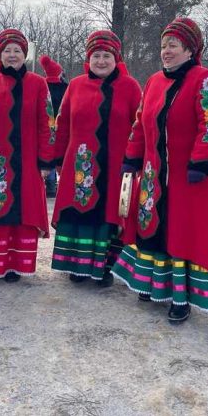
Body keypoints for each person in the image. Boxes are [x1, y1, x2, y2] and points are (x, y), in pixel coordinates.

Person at [111, 17, 208, 324]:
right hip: (156, 174)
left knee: (182, 234)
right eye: (163, 46)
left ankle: (181, 298)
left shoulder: (205, 79)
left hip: (190, 176)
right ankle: (151, 285)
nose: (166, 51)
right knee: (153, 228)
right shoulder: (154, 82)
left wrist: (201, 159)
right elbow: (140, 123)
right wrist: (132, 156)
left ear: (190, 49)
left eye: (173, 46)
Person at [50, 31, 141, 287]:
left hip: (115, 164)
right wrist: (58, 156)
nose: (101, 61)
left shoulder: (130, 86)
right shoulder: (76, 85)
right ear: (88, 59)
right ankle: (77, 265)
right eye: (96, 56)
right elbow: (63, 122)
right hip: (80, 163)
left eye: (107, 56)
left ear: (117, 58)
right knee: (79, 209)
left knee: (109, 214)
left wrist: (135, 158)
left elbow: (140, 124)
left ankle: (105, 267)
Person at [0, 29, 54, 282]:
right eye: (6, 50)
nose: (12, 55)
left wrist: (45, 160)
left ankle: (15, 265)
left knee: (22, 209)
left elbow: (47, 123)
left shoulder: (39, 84)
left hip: (27, 159)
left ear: (25, 55)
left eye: (17, 50)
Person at [39, 55, 68, 198]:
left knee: (47, 151)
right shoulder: (65, 87)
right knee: (57, 152)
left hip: (46, 124)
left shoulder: (42, 85)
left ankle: (49, 183)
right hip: (60, 124)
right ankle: (52, 184)